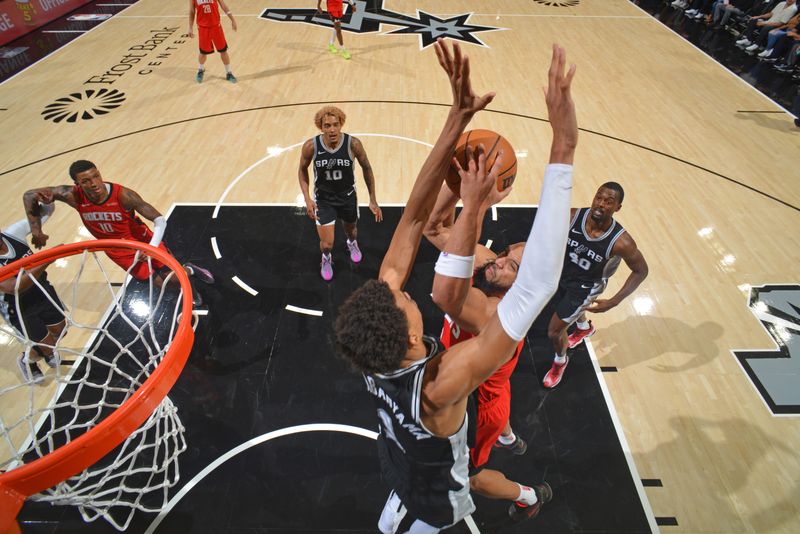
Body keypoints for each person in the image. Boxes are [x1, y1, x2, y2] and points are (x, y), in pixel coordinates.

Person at [334, 39, 577, 532]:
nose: (402, 290)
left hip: (398, 454)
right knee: (432, 513)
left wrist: (457, 118)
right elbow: (532, 289)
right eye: (403, 300)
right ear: (407, 338)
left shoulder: (373, 353)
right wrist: (563, 148)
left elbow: (414, 217)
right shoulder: (440, 384)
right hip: (437, 493)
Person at [424, 182, 544, 512]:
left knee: (471, 477)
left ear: (523, 286)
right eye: (506, 254)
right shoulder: (492, 265)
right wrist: (453, 184)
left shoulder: (497, 313)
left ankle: (529, 496)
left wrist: (474, 204)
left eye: (512, 267)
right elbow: (433, 227)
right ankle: (508, 437)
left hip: (478, 407)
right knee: (498, 387)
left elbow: (447, 294)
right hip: (488, 384)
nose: (500, 263)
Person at [22, 161, 214, 306]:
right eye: (86, 181)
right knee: (161, 284)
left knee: (175, 276)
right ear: (77, 184)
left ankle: (190, 274)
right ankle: (186, 280)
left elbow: (159, 220)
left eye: (96, 176)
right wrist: (37, 231)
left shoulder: (122, 195)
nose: (94, 183)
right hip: (118, 251)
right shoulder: (72, 195)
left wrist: (150, 247)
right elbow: (29, 194)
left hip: (143, 241)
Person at [541, 183, 649, 389]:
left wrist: (614, 302)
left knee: (554, 332)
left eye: (609, 202)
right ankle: (583, 328)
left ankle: (560, 362)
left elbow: (641, 271)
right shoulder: (572, 216)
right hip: (563, 272)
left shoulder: (621, 242)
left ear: (617, 208)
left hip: (586, 287)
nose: (601, 204)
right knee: (568, 312)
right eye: (599, 197)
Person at [298, 106, 382, 281]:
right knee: (327, 244)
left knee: (351, 232)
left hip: (347, 197)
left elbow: (367, 168)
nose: (332, 129)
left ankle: (351, 243)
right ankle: (326, 258)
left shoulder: (353, 144)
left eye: (336, 125)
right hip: (324, 200)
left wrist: (372, 199)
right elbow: (302, 171)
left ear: (341, 124)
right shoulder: (311, 146)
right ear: (321, 127)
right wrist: (307, 199)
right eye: (327, 126)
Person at [0, 204, 66, 384]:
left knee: (61, 330)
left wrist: (39, 198)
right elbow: (15, 287)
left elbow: (46, 211)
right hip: (19, 307)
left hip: (41, 291)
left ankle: (46, 352)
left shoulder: (13, 234)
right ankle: (27, 360)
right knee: (47, 345)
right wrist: (48, 258)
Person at [188, 0, 238, 83]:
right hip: (203, 28)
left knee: (223, 50)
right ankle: (200, 69)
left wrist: (232, 19)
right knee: (203, 53)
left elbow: (224, 6)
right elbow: (192, 11)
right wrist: (190, 27)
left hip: (216, 26)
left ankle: (229, 73)